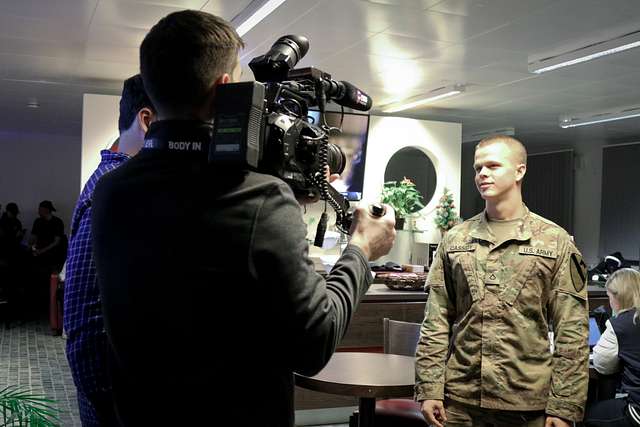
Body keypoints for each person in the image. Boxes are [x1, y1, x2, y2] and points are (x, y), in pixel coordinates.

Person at [90, 10, 395, 427]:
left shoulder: (110, 191)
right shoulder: (261, 199)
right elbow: (314, 343)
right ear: (224, 89)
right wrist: (361, 249)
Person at [416, 135, 589, 427]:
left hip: (527, 401)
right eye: (478, 168)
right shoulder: (456, 238)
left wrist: (564, 406)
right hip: (461, 399)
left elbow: (571, 331)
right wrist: (429, 387)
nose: (482, 174)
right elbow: (436, 320)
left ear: (519, 171)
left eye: (493, 166)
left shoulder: (554, 240)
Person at [64, 74, 155, 427]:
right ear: (147, 121)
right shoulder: (115, 190)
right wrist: (111, 401)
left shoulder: (122, 184)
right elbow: (85, 323)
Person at [586, 268, 640, 426]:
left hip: (637, 411)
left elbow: (603, 365)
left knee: (586, 414)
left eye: (609, 297)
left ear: (619, 298)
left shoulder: (620, 325)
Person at [30, 200, 66, 273]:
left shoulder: (57, 222)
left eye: (40, 210)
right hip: (39, 252)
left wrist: (42, 251)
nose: (38, 212)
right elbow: (33, 237)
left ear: (46, 210)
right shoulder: (38, 221)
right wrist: (33, 248)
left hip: (53, 254)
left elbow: (56, 242)